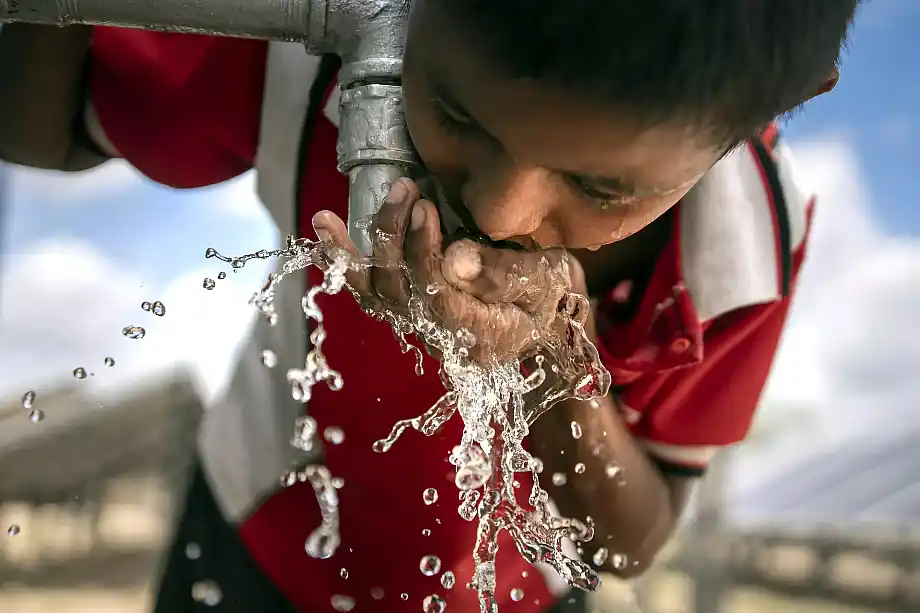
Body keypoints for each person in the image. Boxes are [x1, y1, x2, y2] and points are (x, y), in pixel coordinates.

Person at [0, 1, 860, 611]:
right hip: (258, 542)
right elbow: (44, 121)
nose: (500, 213)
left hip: (519, 595)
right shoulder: (319, 44)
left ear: (771, 109)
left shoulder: (744, 247)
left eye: (602, 188)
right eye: (455, 113)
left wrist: (551, 365)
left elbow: (627, 543)